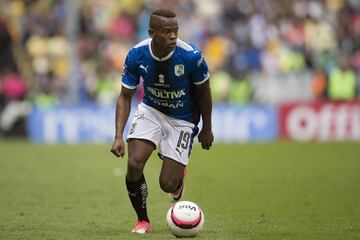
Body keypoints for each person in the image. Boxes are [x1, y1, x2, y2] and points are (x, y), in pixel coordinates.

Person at [110, 9, 214, 234]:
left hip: (183, 120)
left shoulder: (191, 56)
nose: (173, 37)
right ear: (152, 33)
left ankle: (178, 178)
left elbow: (204, 91)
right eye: (167, 32)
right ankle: (143, 221)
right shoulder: (137, 55)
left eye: (175, 31)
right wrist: (118, 136)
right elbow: (125, 96)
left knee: (167, 184)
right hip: (152, 111)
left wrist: (207, 127)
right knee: (134, 163)